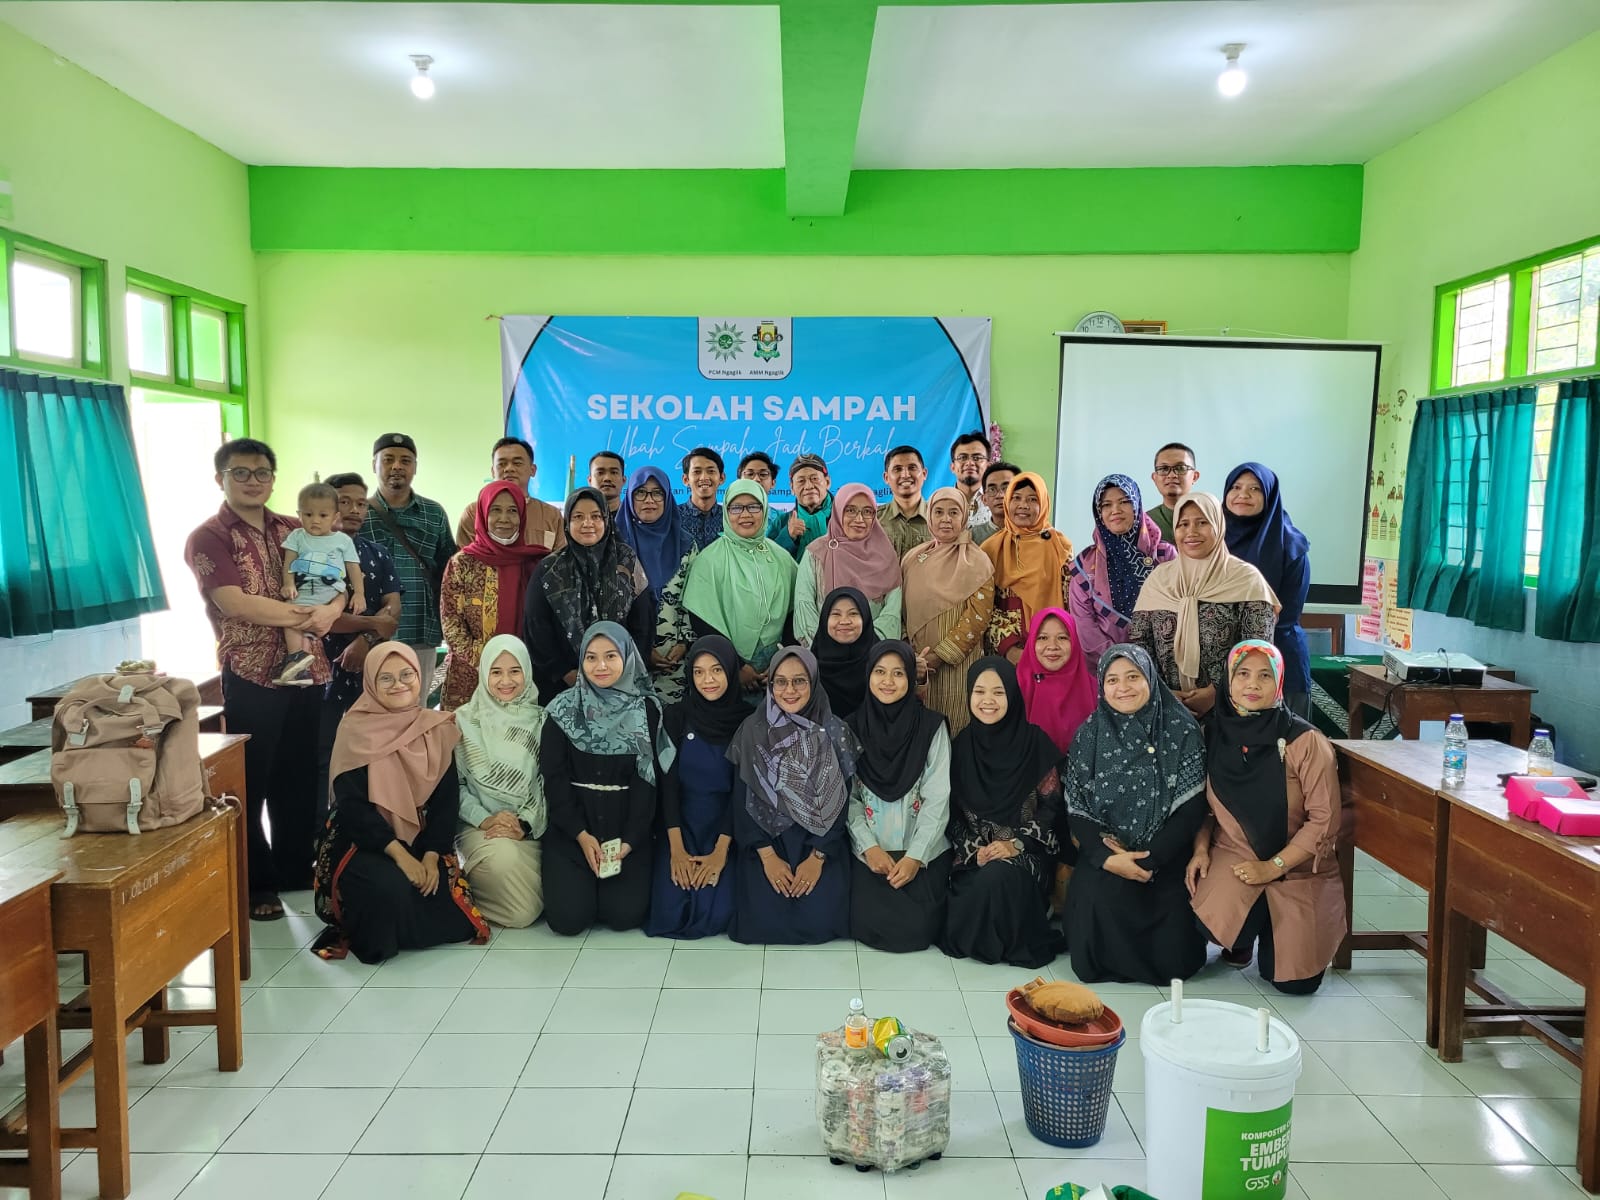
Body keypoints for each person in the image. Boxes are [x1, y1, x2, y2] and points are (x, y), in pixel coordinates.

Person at [186, 438, 333, 920]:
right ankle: (257, 883)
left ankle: (294, 868)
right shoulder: (209, 537)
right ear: (220, 479)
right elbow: (235, 603)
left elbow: (331, 578)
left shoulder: (294, 527)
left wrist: (331, 611)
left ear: (273, 478)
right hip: (252, 672)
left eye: (262, 472)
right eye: (241, 472)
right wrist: (306, 615)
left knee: (299, 774)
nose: (253, 481)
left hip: (306, 667)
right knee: (252, 780)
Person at [312, 643, 489, 962]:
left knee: (445, 904)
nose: (399, 684)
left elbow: (446, 802)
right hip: (364, 841)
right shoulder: (354, 730)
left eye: (407, 674)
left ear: (420, 677)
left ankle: (403, 923)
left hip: (423, 839)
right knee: (390, 886)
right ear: (371, 682)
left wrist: (431, 856)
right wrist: (402, 857)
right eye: (386, 678)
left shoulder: (435, 728)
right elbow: (354, 808)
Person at [1188, 641, 1345, 995]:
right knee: (1208, 926)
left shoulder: (1306, 741)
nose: (1252, 685)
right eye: (1242, 674)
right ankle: (1247, 930)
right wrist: (1200, 849)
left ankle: (1271, 928)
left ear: (1279, 682)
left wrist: (1273, 866)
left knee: (1296, 984)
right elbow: (1205, 807)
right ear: (1228, 681)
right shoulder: (1213, 733)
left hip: (1299, 868)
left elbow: (1324, 821)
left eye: (1264, 676)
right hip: (1237, 853)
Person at [1062, 644, 1209, 985]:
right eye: (1112, 680)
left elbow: (1191, 808)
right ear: (1102, 685)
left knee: (1175, 957)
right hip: (1108, 850)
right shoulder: (1089, 734)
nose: (1123, 687)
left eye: (1133, 677)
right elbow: (1077, 808)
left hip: (1166, 853)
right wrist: (1107, 858)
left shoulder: (1182, 730)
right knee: (1090, 945)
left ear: (1151, 679)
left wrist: (1150, 859)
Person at [541, 623, 674, 935]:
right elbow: (554, 778)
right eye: (591, 657)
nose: (600, 666)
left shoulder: (646, 711)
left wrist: (628, 842)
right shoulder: (562, 710)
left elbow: (647, 783)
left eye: (611, 656)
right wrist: (580, 834)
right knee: (568, 920)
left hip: (626, 832)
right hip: (573, 830)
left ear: (627, 658)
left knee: (624, 915)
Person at [727, 646, 856, 945]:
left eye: (799, 681)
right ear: (770, 685)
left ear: (814, 682)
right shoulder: (753, 730)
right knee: (762, 921)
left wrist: (817, 857)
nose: (789, 690)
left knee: (820, 920)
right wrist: (768, 857)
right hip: (766, 839)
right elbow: (741, 800)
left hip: (820, 840)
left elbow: (841, 804)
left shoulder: (834, 731)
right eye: (781, 682)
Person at [940, 658, 1061, 968]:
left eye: (998, 692)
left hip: (1026, 854)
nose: (988, 700)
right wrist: (974, 851)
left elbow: (1052, 808)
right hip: (975, 857)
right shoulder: (961, 747)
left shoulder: (1035, 743)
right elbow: (950, 814)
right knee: (977, 881)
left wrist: (1016, 844)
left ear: (1013, 695)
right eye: (979, 691)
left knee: (999, 879)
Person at [1129, 492, 1278, 719]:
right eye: (1183, 524)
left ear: (1218, 525)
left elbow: (1257, 649)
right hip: (1165, 710)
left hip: (1234, 710)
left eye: (1202, 522)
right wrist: (1162, 693)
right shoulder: (1159, 579)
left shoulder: (1246, 579)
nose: (1191, 532)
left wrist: (1218, 691)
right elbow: (1140, 644)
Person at [846, 642, 952, 953]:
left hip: (923, 852)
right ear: (868, 675)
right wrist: (869, 848)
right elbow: (849, 799)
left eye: (898, 673)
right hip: (870, 853)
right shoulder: (852, 727)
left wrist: (915, 857)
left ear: (910, 678)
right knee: (866, 920)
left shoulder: (932, 727)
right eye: (880, 672)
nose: (888, 681)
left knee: (918, 928)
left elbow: (938, 797)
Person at [645, 635, 745, 940]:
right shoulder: (676, 716)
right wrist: (676, 850)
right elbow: (668, 784)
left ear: (730, 671)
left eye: (716, 670)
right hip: (680, 824)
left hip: (726, 827)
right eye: (699, 672)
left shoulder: (746, 722)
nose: (707, 680)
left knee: (718, 911)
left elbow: (742, 793)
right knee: (670, 910)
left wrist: (719, 853)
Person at [657, 481, 796, 699]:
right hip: (724, 668)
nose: (745, 514)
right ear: (726, 512)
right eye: (736, 508)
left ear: (765, 509)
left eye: (754, 506)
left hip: (776, 669)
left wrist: (783, 659)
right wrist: (736, 666)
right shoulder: (709, 560)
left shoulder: (782, 558)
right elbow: (702, 620)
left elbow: (794, 613)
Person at [317, 473, 404, 816]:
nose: (354, 510)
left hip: (370, 671)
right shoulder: (311, 555)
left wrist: (365, 640)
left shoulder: (377, 553)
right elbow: (322, 617)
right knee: (322, 754)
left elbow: (393, 610)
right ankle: (320, 834)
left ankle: (363, 829)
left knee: (371, 752)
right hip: (321, 672)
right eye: (344, 501)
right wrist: (372, 624)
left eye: (361, 503)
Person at [522, 487, 652, 704]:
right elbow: (536, 627)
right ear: (567, 523)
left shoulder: (627, 561)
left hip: (622, 684)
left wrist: (623, 671)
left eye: (595, 516)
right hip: (563, 687)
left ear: (606, 520)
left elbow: (643, 623)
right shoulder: (550, 569)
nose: (587, 523)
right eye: (578, 517)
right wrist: (565, 673)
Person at [454, 635, 548, 928]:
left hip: (531, 827)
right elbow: (454, 786)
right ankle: (458, 898)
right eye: (496, 672)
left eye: (515, 671)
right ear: (484, 673)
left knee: (560, 887)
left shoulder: (542, 720)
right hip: (479, 827)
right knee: (521, 908)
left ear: (527, 672)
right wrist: (485, 819)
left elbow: (547, 782)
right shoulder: (462, 721)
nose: (505, 681)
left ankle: (472, 891)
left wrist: (524, 823)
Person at [360, 432, 455, 702]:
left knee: (417, 705)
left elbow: (449, 571)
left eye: (405, 460)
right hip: (371, 632)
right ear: (374, 465)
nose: (397, 466)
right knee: (373, 707)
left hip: (420, 629)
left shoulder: (434, 513)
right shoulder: (360, 514)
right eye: (388, 459)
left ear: (415, 467)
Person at [438, 482, 550, 711]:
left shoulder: (537, 563)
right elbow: (451, 621)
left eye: (512, 511)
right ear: (483, 514)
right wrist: (488, 662)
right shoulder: (462, 563)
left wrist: (516, 666)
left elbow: (545, 622)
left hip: (523, 675)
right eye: (495, 510)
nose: (504, 519)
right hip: (471, 677)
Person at [900, 486, 994, 736]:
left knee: (956, 729)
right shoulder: (912, 558)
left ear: (964, 517)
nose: (945, 519)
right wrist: (911, 654)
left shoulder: (978, 561)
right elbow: (901, 610)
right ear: (929, 515)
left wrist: (939, 656)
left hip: (958, 666)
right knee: (920, 733)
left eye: (954, 512)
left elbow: (978, 617)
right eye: (939, 512)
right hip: (917, 664)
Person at [1223, 463, 1312, 718]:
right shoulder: (1212, 541)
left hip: (1280, 658)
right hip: (1224, 664)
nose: (1243, 495)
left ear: (1270, 496)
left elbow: (1287, 613)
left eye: (1255, 489)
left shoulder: (1291, 547)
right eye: (1236, 487)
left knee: (1287, 740)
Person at [1069, 473, 1176, 671]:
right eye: (1106, 505)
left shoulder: (1164, 556)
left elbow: (1178, 612)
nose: (1115, 510)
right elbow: (1085, 626)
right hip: (1111, 669)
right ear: (1098, 513)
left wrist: (1151, 663)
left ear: (1137, 505)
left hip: (1163, 667)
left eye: (1124, 501)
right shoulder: (1085, 566)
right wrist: (1122, 662)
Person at [276, 482, 365, 684]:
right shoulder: (297, 536)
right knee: (304, 625)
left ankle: (295, 657)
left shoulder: (342, 540)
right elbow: (289, 563)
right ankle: (301, 670)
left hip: (329, 591)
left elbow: (353, 568)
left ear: (335, 517)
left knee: (290, 615)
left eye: (323, 515)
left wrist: (359, 593)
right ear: (299, 515)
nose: (315, 520)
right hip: (306, 590)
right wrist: (288, 584)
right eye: (308, 514)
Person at [794, 482, 904, 643]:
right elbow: (804, 605)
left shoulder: (886, 554)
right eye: (850, 510)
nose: (859, 519)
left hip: (874, 651)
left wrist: (870, 646)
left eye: (867, 511)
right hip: (824, 651)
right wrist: (823, 646)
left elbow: (892, 612)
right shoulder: (816, 553)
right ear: (838, 511)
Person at [984, 473, 1073, 662]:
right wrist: (1009, 648)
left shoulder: (1060, 546)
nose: (1023, 505)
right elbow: (984, 606)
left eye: (1032, 499)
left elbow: (1069, 602)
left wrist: (1051, 646)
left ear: (1043, 504)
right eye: (1016, 498)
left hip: (1051, 653)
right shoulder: (991, 549)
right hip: (1005, 656)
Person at [455, 436, 566, 553]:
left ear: (532, 470)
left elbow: (561, 558)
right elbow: (466, 558)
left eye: (517, 463)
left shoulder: (551, 515)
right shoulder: (474, 513)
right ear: (493, 472)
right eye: (502, 464)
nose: (509, 469)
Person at [1016, 608, 1097, 756]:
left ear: (1075, 641)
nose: (1053, 646)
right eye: (1042, 638)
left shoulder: (1096, 691)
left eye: (1062, 637)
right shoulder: (1015, 688)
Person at [615, 464, 692, 605]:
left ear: (667, 497)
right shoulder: (613, 542)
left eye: (657, 493)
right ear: (630, 497)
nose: (649, 500)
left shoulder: (686, 544)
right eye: (640, 492)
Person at [810, 586, 878, 720]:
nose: (844, 621)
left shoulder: (881, 662)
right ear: (825, 619)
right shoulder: (809, 667)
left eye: (853, 614)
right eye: (836, 614)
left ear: (865, 618)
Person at [773, 453, 833, 559]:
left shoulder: (845, 517)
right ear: (792, 488)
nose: (808, 486)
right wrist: (788, 536)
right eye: (801, 481)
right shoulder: (781, 522)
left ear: (827, 482)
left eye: (814, 479)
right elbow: (766, 560)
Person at [877, 445, 932, 558]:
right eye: (897, 469)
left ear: (924, 474)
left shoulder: (939, 518)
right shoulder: (875, 520)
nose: (906, 475)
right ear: (886, 478)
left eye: (912, 468)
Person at [1149, 443, 1201, 544]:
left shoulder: (1209, 517)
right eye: (1164, 469)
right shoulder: (1145, 522)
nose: (1172, 475)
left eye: (1180, 468)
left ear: (1195, 476)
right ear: (1154, 478)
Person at [678, 446, 726, 550]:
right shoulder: (673, 517)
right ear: (686, 479)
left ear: (721, 478)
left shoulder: (730, 518)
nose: (704, 477)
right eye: (697, 472)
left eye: (711, 471)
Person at [737, 450, 790, 542]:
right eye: (750, 474)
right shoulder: (725, 518)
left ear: (773, 483)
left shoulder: (784, 520)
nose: (756, 479)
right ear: (739, 482)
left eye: (763, 474)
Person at [949, 429, 993, 533]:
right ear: (952, 467)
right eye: (962, 457)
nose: (970, 463)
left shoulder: (999, 503)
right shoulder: (939, 502)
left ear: (988, 466)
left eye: (977, 458)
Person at [971, 460, 1018, 547]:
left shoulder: (1033, 535)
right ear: (984, 499)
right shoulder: (972, 537)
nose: (1000, 495)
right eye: (992, 489)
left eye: (1006, 488)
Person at [588, 450, 626, 516]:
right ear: (590, 480)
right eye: (600, 473)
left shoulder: (634, 517)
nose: (607, 478)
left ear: (623, 480)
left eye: (614, 472)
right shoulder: (577, 518)